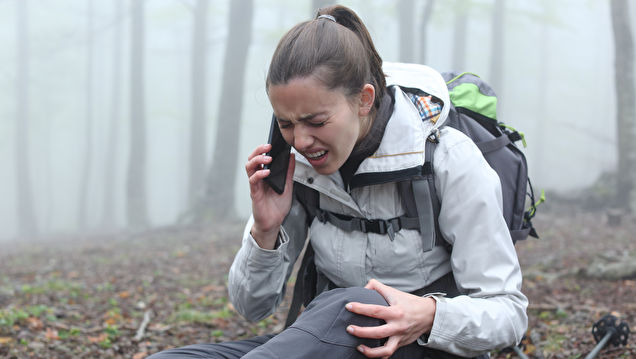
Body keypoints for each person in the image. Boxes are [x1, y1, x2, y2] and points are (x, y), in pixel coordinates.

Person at [149, 4, 527, 359]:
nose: (299, 141)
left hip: (420, 347)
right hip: (324, 342)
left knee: (353, 305)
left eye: (315, 121)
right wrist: (265, 232)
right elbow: (253, 307)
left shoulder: (447, 159)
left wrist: (428, 314)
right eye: (286, 124)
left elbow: (508, 313)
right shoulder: (299, 170)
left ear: (364, 100)